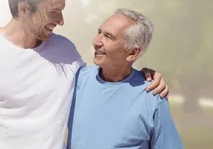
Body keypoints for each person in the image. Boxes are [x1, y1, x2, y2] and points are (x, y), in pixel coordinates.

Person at [0, 0, 169, 149]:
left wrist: (144, 76)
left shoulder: (66, 52)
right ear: (24, 8)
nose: (61, 21)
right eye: (54, 12)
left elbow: (102, 80)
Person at [67, 9, 183, 149]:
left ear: (133, 52)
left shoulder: (152, 95)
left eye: (109, 37)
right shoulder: (75, 81)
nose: (96, 42)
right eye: (99, 32)